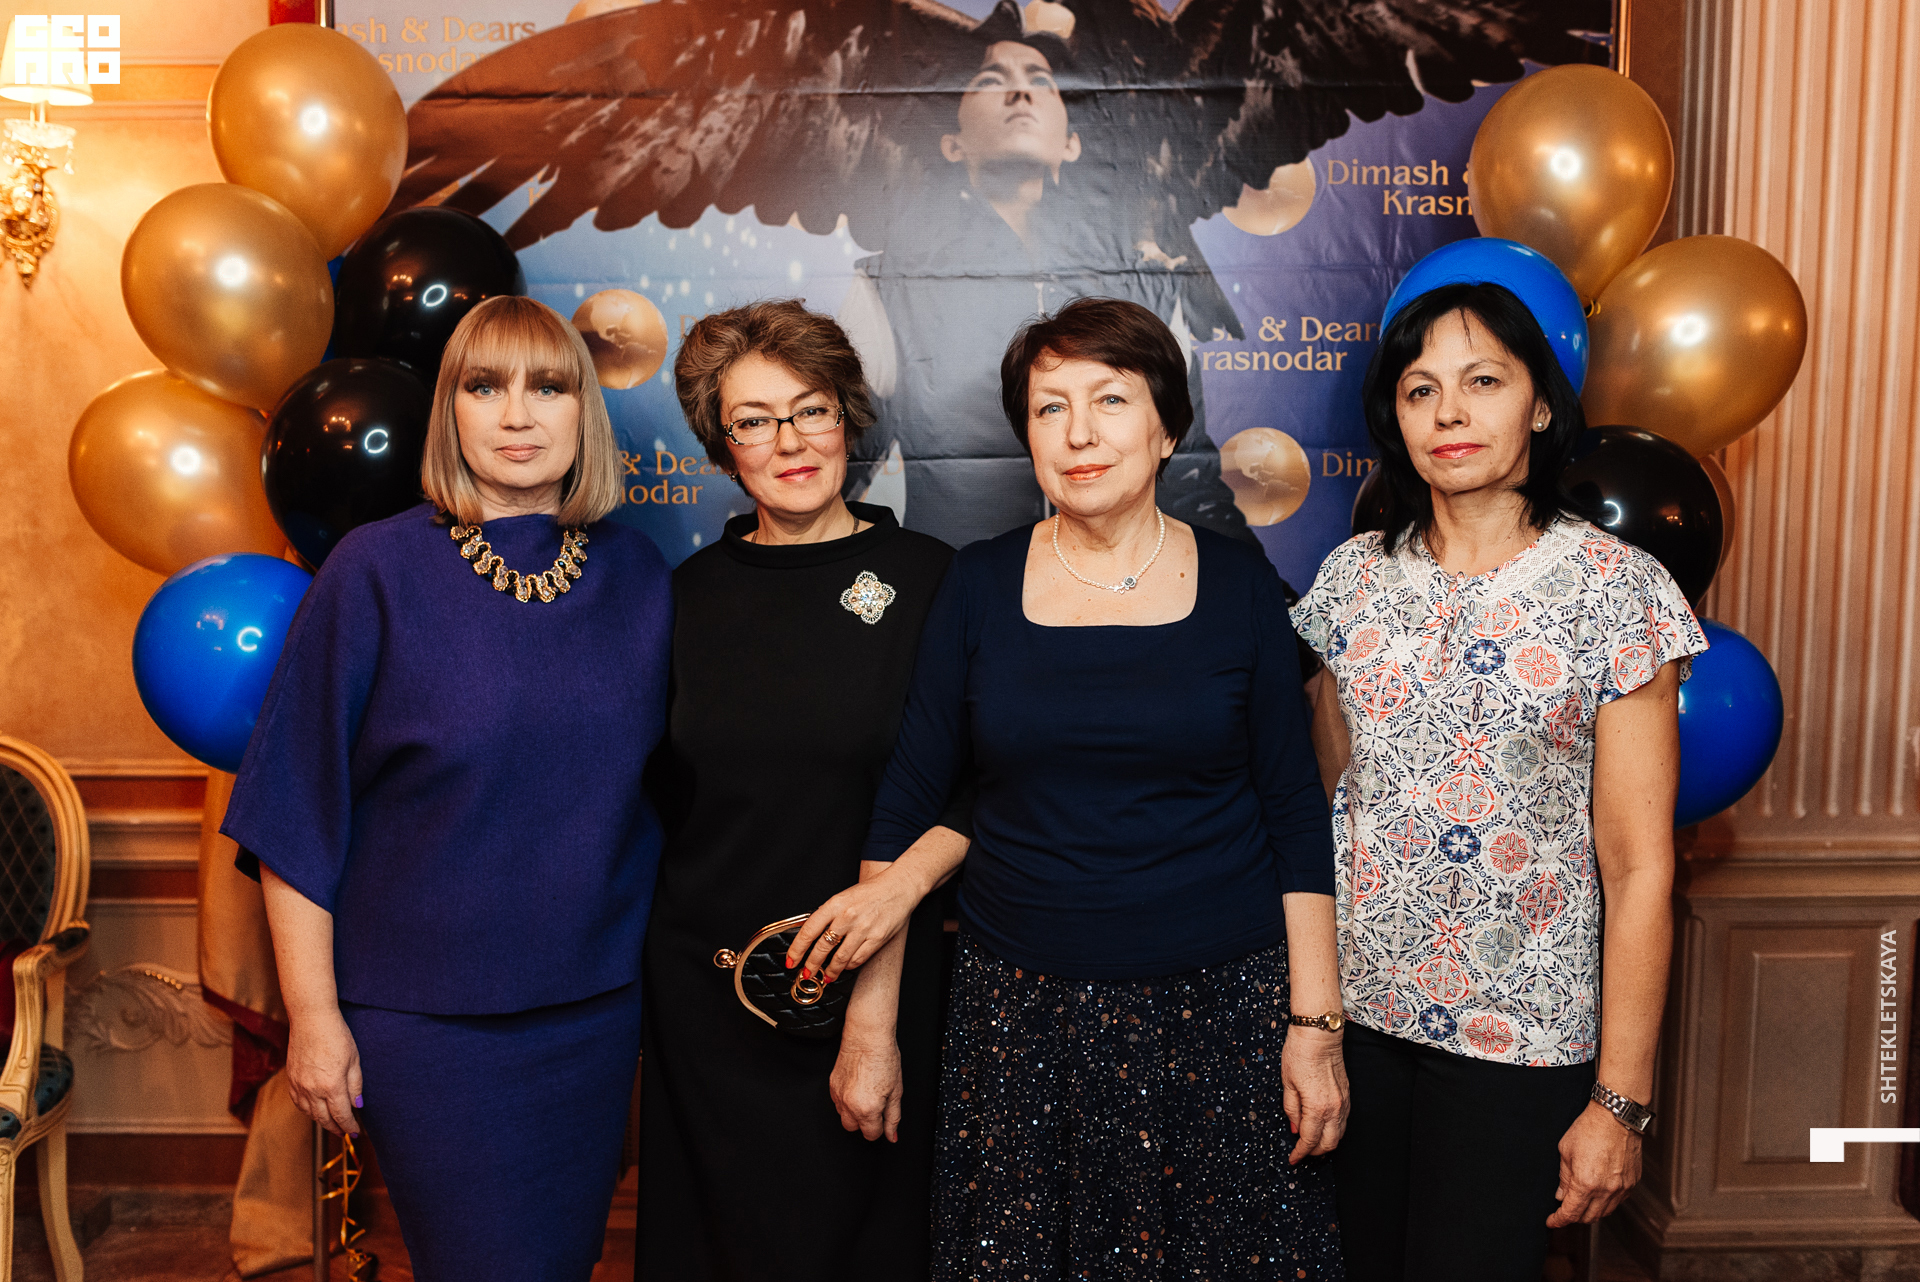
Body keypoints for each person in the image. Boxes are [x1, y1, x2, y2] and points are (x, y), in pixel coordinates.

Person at [861, 295, 1348, 1279]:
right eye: (1051, 408)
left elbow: (1297, 813)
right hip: (1017, 1020)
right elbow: (909, 804)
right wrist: (870, 1029)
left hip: (1222, 1016)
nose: (1079, 433)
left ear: (1167, 429)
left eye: (1111, 399)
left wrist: (1316, 1027)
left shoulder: (1243, 588)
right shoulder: (977, 585)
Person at [221, 295, 671, 1281]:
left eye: (547, 386)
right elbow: (294, 812)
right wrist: (314, 1017)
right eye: (484, 385)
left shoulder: (639, 577)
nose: (517, 415)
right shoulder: (373, 571)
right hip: (425, 1025)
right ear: (450, 411)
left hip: (594, 1015)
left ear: (584, 410)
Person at [1290, 282, 1709, 1281]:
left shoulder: (1616, 590)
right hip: (1354, 1028)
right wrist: (1309, 1020)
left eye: (1483, 381)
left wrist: (1619, 1103)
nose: (1449, 412)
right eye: (1420, 389)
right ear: (1395, 418)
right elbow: (1327, 806)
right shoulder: (1351, 580)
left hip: (1519, 1042)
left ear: (1541, 405)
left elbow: (1639, 867)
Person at [636, 299, 972, 1280]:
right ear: (721, 445)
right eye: (754, 420)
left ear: (847, 417)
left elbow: (984, 786)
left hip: (879, 991)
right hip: (707, 1012)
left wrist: (889, 923)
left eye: (810, 409)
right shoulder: (681, 599)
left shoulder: (932, 582)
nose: (788, 442)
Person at [838, 19, 1254, 548]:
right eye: (991, 80)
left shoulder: (1150, 283)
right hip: (958, 586)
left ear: (1071, 142)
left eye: (1041, 80)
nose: (1019, 92)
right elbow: (837, 475)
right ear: (952, 144)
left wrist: (1251, 587)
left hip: (1132, 590)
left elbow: (1192, 479)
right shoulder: (885, 287)